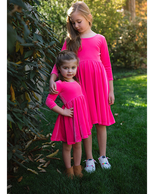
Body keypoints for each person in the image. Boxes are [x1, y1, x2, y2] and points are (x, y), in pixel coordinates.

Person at [49, 1, 115, 173]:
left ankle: (102, 156)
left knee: (101, 121)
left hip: (99, 85)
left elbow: (107, 66)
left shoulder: (100, 39)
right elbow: (58, 63)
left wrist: (111, 90)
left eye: (79, 21)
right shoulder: (71, 40)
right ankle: (89, 158)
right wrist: (52, 79)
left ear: (89, 17)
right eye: (73, 22)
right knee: (85, 121)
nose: (76, 25)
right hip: (81, 86)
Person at [45, 50, 92, 179]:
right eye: (66, 68)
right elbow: (48, 101)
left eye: (73, 67)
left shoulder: (76, 81)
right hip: (69, 119)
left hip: (79, 118)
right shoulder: (59, 84)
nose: (70, 71)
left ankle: (77, 167)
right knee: (67, 146)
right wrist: (63, 111)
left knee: (78, 144)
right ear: (59, 69)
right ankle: (68, 170)